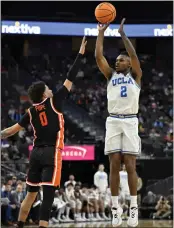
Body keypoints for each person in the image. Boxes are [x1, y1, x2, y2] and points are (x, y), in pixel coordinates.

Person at [1, 36, 87, 228]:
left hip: (35, 154)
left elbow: (11, 131)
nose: (50, 89)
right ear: (44, 94)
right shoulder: (54, 101)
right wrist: (80, 54)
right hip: (51, 152)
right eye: (47, 88)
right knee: (47, 196)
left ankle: (20, 225)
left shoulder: (30, 111)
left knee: (31, 194)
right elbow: (70, 77)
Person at [95, 18, 142, 227]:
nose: (117, 62)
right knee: (114, 164)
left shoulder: (136, 76)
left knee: (130, 165)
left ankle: (133, 207)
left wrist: (123, 35)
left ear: (130, 64)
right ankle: (115, 208)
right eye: (117, 61)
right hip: (113, 120)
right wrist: (101, 32)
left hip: (131, 121)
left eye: (121, 60)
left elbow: (133, 54)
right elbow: (98, 56)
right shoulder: (110, 76)